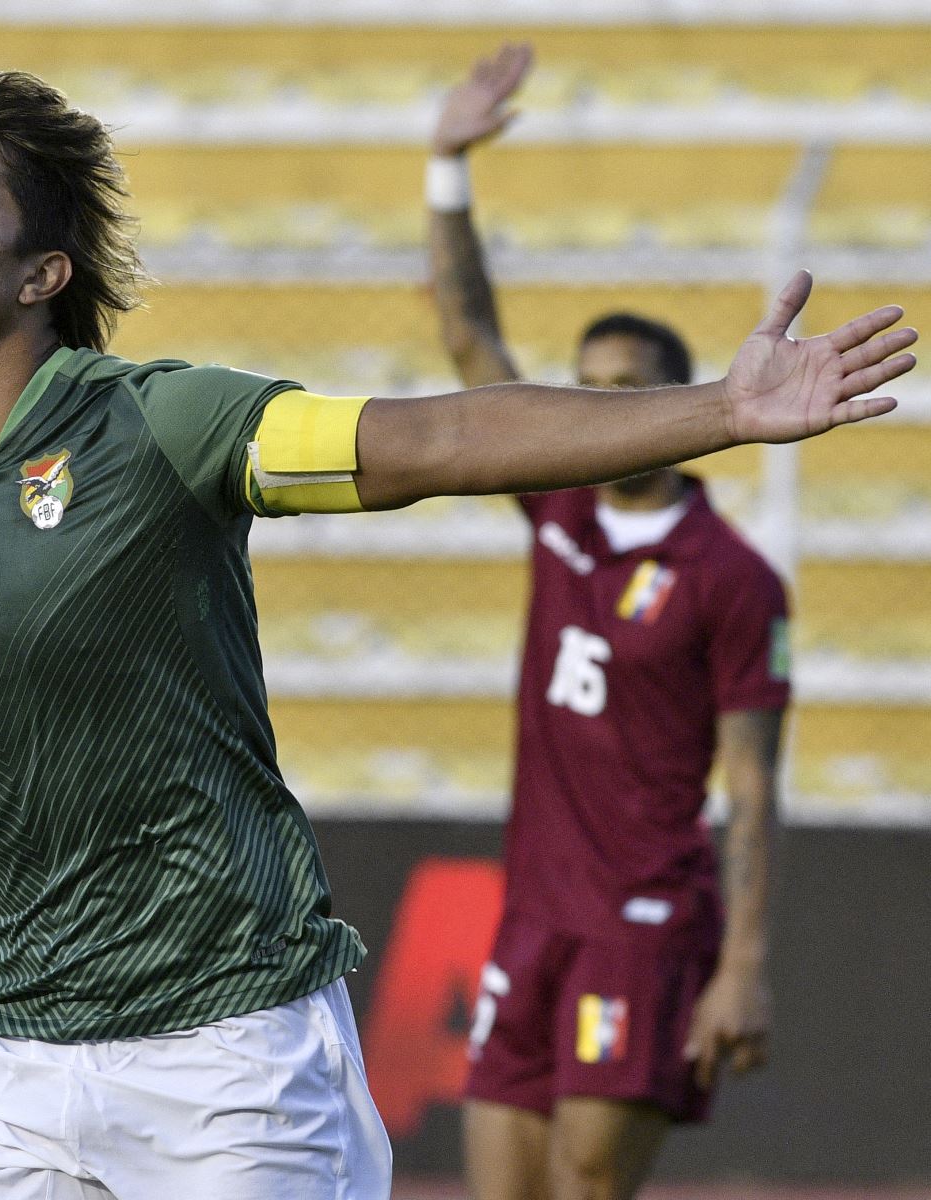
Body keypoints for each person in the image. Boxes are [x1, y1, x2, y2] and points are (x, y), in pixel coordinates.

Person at [0, 72, 912, 1200]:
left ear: (39, 275)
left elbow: (437, 431)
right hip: (8, 1060)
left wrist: (724, 410)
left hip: (233, 1059)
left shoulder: (156, 424)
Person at [428, 45, 800, 1200]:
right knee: (500, 1185)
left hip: (643, 924)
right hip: (534, 912)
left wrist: (743, 963)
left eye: (620, 390)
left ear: (675, 408)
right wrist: (446, 169)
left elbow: (752, 782)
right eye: (581, 387)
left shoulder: (732, 576)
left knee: (590, 1185)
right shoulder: (561, 510)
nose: (590, 410)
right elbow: (471, 349)